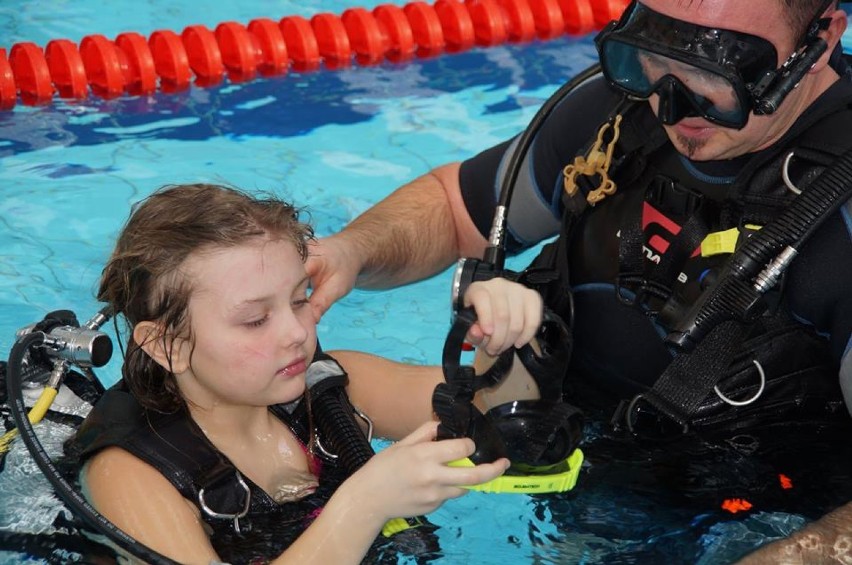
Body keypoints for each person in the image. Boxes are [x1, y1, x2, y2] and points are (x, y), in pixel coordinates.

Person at [305, 0, 852, 562]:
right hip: (565, 457)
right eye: (655, 53)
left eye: (721, 66)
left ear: (820, 42)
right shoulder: (614, 116)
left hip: (767, 514)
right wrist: (350, 251)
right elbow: (454, 208)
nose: (671, 100)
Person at [67, 183, 547, 565]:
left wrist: (507, 338)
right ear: (168, 345)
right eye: (255, 320)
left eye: (299, 299)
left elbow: (503, 418)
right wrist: (364, 504)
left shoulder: (335, 386)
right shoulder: (129, 474)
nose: (297, 332)